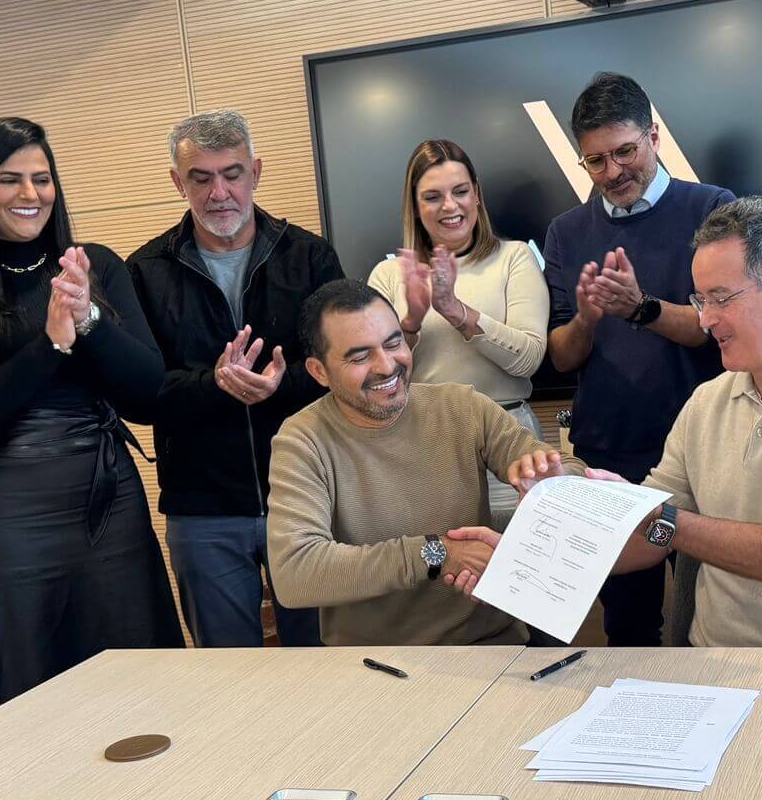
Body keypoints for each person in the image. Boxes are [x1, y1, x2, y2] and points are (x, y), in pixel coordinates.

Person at [477, 198, 762, 648]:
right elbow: (649, 538)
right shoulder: (708, 402)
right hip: (714, 671)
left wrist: (658, 516)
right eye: (700, 300)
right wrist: (535, 544)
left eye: (721, 298)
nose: (705, 319)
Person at [0, 117, 181, 726]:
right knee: (22, 674)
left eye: (42, 178)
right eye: (10, 180)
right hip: (12, 502)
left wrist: (89, 322)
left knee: (132, 662)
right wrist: (50, 344)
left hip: (107, 493)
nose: (31, 194)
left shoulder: (97, 267)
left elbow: (148, 394)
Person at [266, 280, 582, 646]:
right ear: (319, 371)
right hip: (370, 662)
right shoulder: (302, 440)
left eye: (394, 342)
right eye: (359, 357)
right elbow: (295, 574)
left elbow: (566, 467)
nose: (387, 366)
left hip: (490, 644)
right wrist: (435, 554)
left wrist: (554, 483)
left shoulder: (462, 406)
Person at [128, 110, 343, 647]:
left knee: (325, 662)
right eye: (201, 178)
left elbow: (344, 367)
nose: (219, 192)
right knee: (227, 675)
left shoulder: (310, 257)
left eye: (233, 173)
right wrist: (213, 385)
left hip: (307, 494)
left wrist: (281, 385)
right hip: (202, 508)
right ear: (179, 182)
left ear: (257, 173)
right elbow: (138, 392)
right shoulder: (144, 271)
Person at [542, 72, 734, 646]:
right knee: (626, 627)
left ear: (653, 135)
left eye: (624, 151)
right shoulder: (567, 231)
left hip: (702, 448)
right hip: (609, 452)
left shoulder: (713, 209)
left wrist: (640, 308)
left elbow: (717, 329)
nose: (613, 172)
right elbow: (560, 355)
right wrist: (587, 318)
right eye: (595, 161)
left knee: (709, 620)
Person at [369, 138, 548, 527]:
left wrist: (454, 309)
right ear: (415, 207)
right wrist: (411, 323)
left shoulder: (514, 257)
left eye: (460, 191)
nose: (450, 207)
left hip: (509, 440)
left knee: (514, 574)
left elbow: (529, 358)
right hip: (422, 445)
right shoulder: (388, 275)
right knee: (443, 575)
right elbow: (377, 378)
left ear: (477, 195)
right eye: (432, 197)